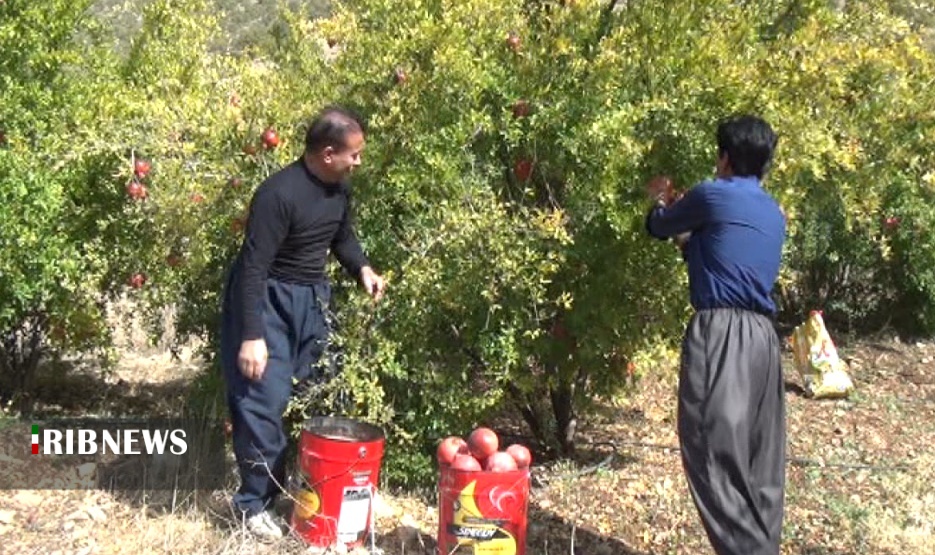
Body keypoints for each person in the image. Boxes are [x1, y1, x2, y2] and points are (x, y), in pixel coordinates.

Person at [219, 106, 385, 540]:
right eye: (354, 154)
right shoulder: (278, 194)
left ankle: (314, 491)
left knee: (322, 392)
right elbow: (254, 266)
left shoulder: (339, 191)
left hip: (312, 299)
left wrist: (362, 269)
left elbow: (341, 236)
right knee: (262, 402)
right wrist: (252, 335)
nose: (358, 162)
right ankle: (253, 505)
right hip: (267, 300)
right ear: (328, 153)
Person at [645, 115, 787, 555]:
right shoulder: (773, 211)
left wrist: (658, 199)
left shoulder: (711, 194)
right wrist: (690, 238)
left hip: (721, 333)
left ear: (724, 158)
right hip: (765, 341)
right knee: (758, 460)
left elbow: (658, 227)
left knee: (711, 452)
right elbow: (715, 255)